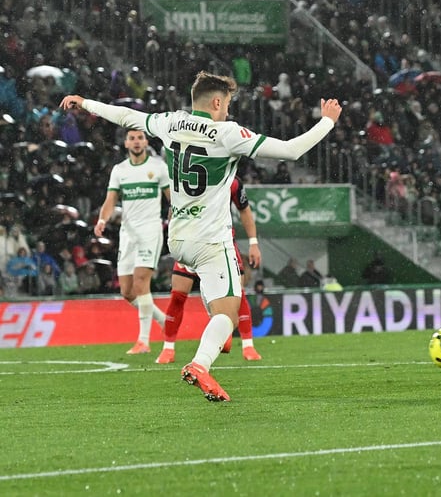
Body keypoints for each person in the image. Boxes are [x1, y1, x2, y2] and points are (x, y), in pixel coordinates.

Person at [60, 71, 341, 401]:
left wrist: (85, 103)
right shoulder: (228, 133)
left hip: (178, 240)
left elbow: (125, 116)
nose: (228, 111)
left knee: (214, 300)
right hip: (211, 240)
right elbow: (291, 150)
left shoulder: (171, 122)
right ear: (217, 102)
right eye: (228, 104)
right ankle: (200, 363)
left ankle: (206, 337)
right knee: (228, 314)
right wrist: (327, 122)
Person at [156, 175, 263, 364]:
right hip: (190, 241)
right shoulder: (187, 177)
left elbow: (244, 209)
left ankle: (248, 345)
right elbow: (175, 209)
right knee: (178, 295)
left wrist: (253, 243)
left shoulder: (231, 181)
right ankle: (168, 348)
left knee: (237, 293)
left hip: (220, 244)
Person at [94, 129, 170, 355]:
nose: (136, 142)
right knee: (127, 291)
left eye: (140, 138)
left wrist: (174, 217)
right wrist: (102, 220)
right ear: (126, 143)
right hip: (127, 234)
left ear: (146, 142)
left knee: (140, 281)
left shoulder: (158, 167)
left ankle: (143, 341)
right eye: (132, 138)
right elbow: (110, 200)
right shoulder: (120, 170)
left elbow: (171, 198)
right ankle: (164, 321)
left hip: (150, 231)